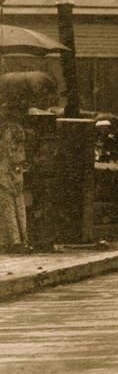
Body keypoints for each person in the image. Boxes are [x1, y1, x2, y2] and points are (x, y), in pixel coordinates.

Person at [0, 77, 33, 252]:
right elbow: (13, 153)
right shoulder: (15, 130)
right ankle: (17, 240)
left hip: (6, 168)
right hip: (10, 169)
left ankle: (11, 240)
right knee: (14, 204)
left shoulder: (8, 128)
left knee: (9, 205)